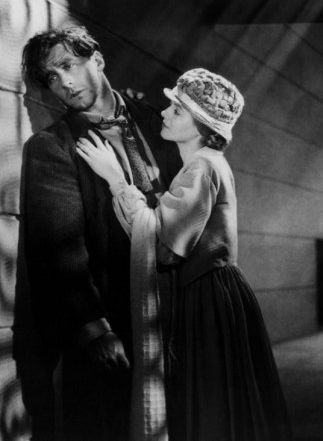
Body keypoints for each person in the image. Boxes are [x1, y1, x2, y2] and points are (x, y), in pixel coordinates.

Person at [76, 68, 293, 441]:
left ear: (200, 126)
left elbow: (164, 248)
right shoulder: (203, 163)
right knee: (216, 403)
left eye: (176, 110)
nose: (164, 113)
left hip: (207, 296)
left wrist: (115, 179)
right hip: (215, 289)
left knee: (209, 403)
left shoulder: (202, 166)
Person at [21, 26, 181, 441]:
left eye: (68, 65)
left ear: (98, 59)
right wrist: (93, 328)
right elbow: (59, 251)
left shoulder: (160, 121)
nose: (64, 83)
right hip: (119, 317)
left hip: (179, 312)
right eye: (51, 77)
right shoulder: (52, 147)